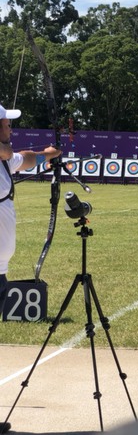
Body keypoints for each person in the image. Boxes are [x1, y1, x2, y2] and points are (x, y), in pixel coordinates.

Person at [0, 103, 62, 314]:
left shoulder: (5, 160)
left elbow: (26, 159)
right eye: (7, 125)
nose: (10, 130)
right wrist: (5, 151)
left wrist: (48, 154)